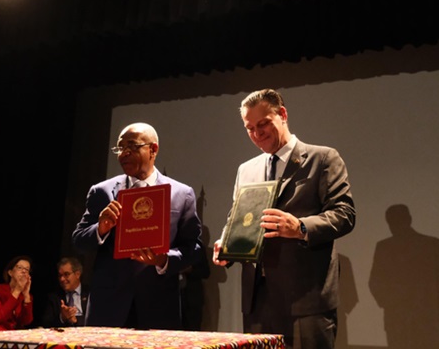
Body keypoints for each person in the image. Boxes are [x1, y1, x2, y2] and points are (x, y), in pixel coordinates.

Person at [212, 88, 356, 349]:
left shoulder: (322, 158)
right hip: (257, 301)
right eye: (249, 128)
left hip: (306, 300)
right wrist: (227, 244)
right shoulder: (246, 169)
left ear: (283, 114)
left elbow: (344, 214)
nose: (257, 133)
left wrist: (300, 227)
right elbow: (238, 217)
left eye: (263, 124)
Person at [72, 122, 202, 329]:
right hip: (109, 308)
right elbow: (78, 241)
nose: (124, 153)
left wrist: (164, 259)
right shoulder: (102, 191)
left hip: (158, 307)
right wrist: (101, 228)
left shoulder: (181, 194)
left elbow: (194, 248)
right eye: (120, 147)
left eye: (132, 146)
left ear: (153, 149)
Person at [368, 204, 439, 349]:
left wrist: (393, 302)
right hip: (427, 318)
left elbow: (375, 283)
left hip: (399, 319)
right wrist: (427, 297)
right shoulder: (432, 244)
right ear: (409, 219)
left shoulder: (384, 247)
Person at [0, 255, 33, 331]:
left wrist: (26, 296)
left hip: (13, 333)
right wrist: (17, 291)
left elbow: (26, 322)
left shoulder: (26, 296)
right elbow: (0, 317)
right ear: (10, 273)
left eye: (27, 269)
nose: (24, 271)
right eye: (19, 268)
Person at [40, 257, 89, 327]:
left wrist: (76, 320)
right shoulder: (54, 297)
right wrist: (62, 317)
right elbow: (46, 323)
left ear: (77, 274)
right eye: (60, 275)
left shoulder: (90, 293)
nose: (62, 279)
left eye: (66, 274)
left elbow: (98, 318)